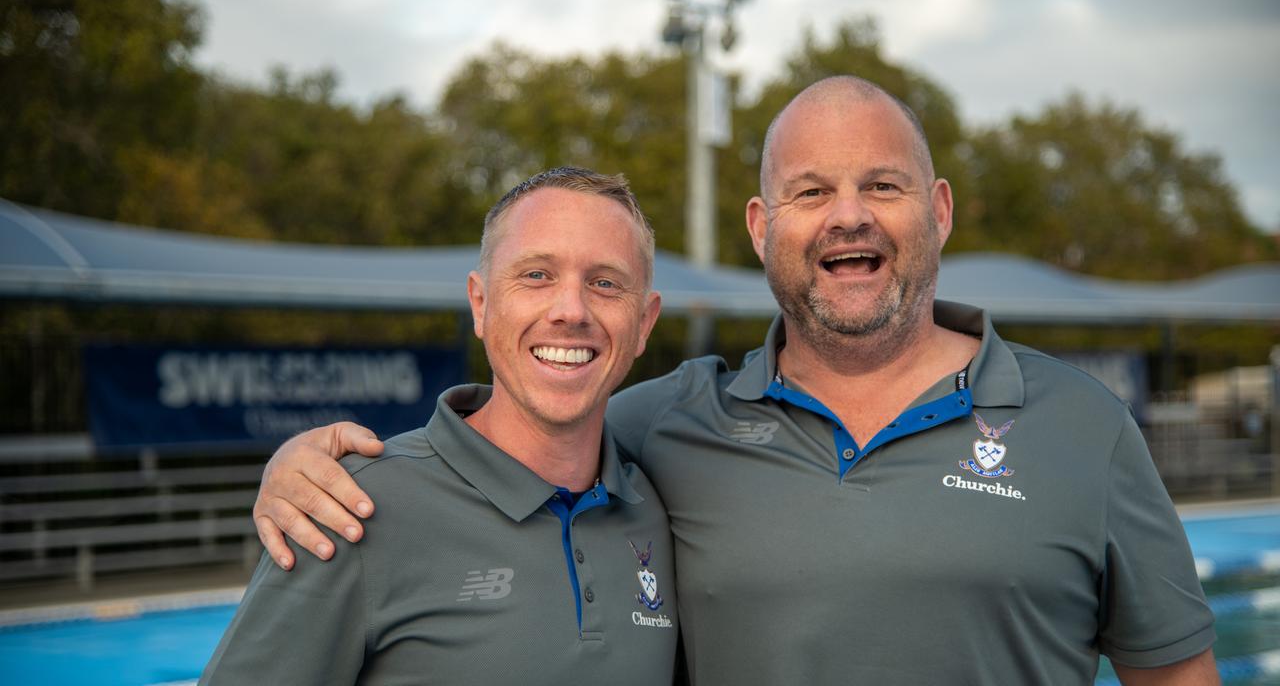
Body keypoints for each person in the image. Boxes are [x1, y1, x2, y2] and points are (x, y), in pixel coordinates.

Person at [251, 77, 1218, 684]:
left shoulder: (1083, 428)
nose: (849, 218)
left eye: (881, 186)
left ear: (938, 212)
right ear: (762, 227)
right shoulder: (661, 427)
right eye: (810, 192)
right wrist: (302, 467)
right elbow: (516, 440)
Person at [202, 167, 677, 684]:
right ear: (480, 303)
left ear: (644, 324)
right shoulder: (348, 505)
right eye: (537, 275)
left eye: (605, 283)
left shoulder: (661, 507)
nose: (570, 310)